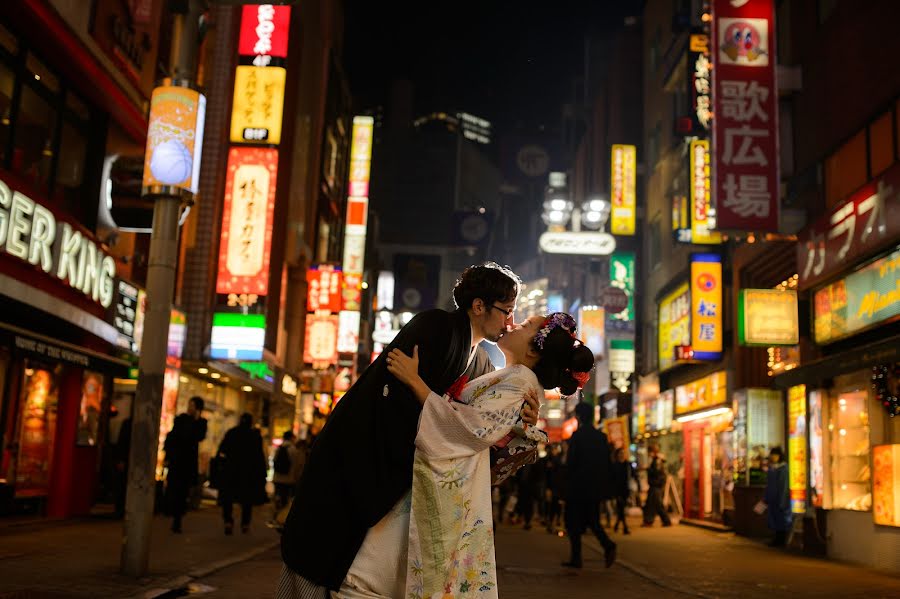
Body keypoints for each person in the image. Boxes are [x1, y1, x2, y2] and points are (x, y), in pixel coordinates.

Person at [277, 263, 540, 597]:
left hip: (401, 470)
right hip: (363, 453)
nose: (510, 322)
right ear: (478, 306)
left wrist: (519, 417)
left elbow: (475, 418)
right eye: (507, 311)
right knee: (329, 549)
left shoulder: (479, 360)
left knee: (353, 565)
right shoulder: (437, 327)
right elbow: (394, 403)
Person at [336, 311, 592, 598]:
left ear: (534, 348)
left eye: (525, 325)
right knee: (382, 575)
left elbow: (470, 428)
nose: (514, 323)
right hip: (451, 480)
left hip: (449, 481)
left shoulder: (519, 381)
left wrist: (415, 382)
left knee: (367, 579)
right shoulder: (509, 376)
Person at [562, 401, 617, 569]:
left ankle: (577, 558)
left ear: (578, 417)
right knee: (593, 521)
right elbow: (608, 465)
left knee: (573, 523)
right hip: (595, 489)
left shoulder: (577, 437)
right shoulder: (602, 437)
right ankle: (608, 545)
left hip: (578, 488)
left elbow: (570, 464)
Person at [216, 412, 267, 535]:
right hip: (247, 473)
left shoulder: (232, 433)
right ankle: (245, 524)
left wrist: (222, 466)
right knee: (246, 500)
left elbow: (222, 451)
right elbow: (259, 457)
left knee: (228, 498)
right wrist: (261, 473)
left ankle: (228, 521)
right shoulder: (254, 436)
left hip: (231, 471)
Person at [164, 396, 207, 533]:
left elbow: (199, 436)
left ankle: (177, 518)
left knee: (182, 491)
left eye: (193, 405)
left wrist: (197, 419)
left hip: (187, 462)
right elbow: (172, 437)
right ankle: (173, 513)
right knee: (174, 487)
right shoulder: (181, 419)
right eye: (189, 404)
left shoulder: (200, 423)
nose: (190, 407)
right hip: (177, 460)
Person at [764, 446, 791, 547]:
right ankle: (777, 539)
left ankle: (781, 540)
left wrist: (782, 500)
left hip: (780, 499)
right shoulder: (773, 468)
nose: (773, 457)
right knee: (775, 519)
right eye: (772, 455)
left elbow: (783, 486)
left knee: (781, 520)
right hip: (773, 500)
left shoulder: (783, 469)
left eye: (775, 455)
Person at [272, 431, 304, 513]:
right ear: (291, 438)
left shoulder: (278, 448)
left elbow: (274, 462)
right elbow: (297, 466)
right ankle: (281, 518)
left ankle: (276, 515)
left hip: (277, 478)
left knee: (277, 498)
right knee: (285, 501)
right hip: (288, 480)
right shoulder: (294, 450)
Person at [642, 446, 672, 528]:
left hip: (656, 485)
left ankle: (650, 521)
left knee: (654, 503)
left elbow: (657, 473)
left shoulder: (657, 461)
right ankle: (664, 521)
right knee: (655, 504)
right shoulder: (656, 460)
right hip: (656, 484)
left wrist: (648, 470)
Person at [611, 447, 634, 534]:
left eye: (623, 453)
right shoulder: (614, 465)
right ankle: (625, 527)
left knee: (621, 508)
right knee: (621, 508)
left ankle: (617, 525)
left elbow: (633, 476)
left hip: (626, 489)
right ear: (617, 455)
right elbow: (612, 479)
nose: (622, 455)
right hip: (618, 490)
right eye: (620, 453)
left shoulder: (627, 465)